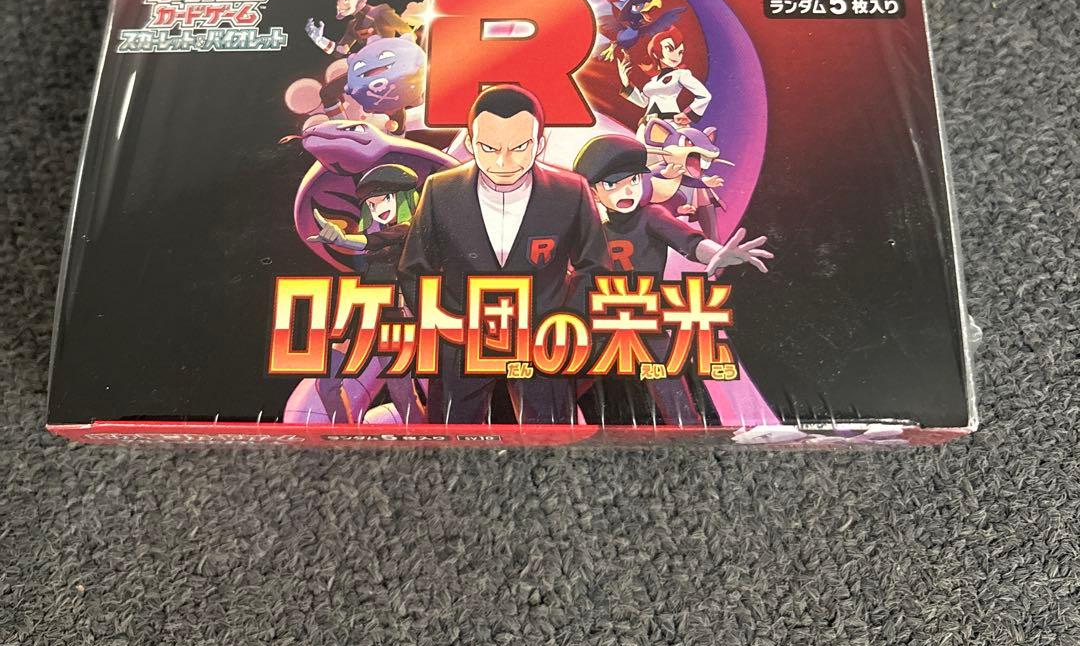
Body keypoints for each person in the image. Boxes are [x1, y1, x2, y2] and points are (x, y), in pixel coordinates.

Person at [399, 85, 610, 424]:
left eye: (520, 147)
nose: (503, 162)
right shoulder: (440, 189)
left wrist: (564, 321)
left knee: (551, 441)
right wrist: (442, 320)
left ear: (540, 144)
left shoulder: (571, 191)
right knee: (450, 441)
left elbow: (596, 266)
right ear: (470, 144)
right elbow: (414, 267)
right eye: (488, 147)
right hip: (461, 338)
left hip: (543, 340)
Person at [573, 134, 772, 424]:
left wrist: (718, 254)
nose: (626, 190)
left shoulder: (650, 216)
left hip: (643, 320)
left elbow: (690, 242)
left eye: (633, 180)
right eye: (612, 184)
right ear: (593, 192)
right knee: (554, 383)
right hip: (597, 322)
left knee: (674, 397)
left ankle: (691, 437)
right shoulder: (588, 227)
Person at [307, 164, 425, 425]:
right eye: (371, 204)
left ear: (404, 197)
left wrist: (342, 239)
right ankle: (344, 438)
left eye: (384, 199)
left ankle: (425, 442)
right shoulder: (381, 236)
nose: (377, 208)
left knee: (402, 395)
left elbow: (375, 240)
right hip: (365, 313)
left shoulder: (410, 230)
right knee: (326, 383)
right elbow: (371, 241)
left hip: (394, 317)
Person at [617, 26, 710, 127]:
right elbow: (643, 103)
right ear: (655, 53)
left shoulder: (681, 74)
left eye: (680, 52)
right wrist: (626, 84)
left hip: (670, 123)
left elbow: (705, 96)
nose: (676, 56)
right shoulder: (653, 81)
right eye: (670, 49)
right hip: (647, 123)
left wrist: (688, 115)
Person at [305, 0, 412, 57]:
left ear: (361, 0)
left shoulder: (381, 11)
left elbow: (407, 32)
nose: (339, 4)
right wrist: (320, 40)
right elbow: (341, 50)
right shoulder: (352, 25)